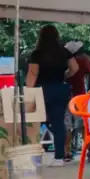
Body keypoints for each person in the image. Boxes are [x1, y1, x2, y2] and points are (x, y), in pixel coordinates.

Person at [26, 25, 79, 166]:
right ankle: (59, 157)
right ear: (57, 35)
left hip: (42, 89)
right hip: (61, 89)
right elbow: (75, 68)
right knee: (58, 123)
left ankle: (33, 157)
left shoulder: (37, 53)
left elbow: (33, 73)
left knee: (35, 123)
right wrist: (64, 76)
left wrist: (28, 91)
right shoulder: (64, 51)